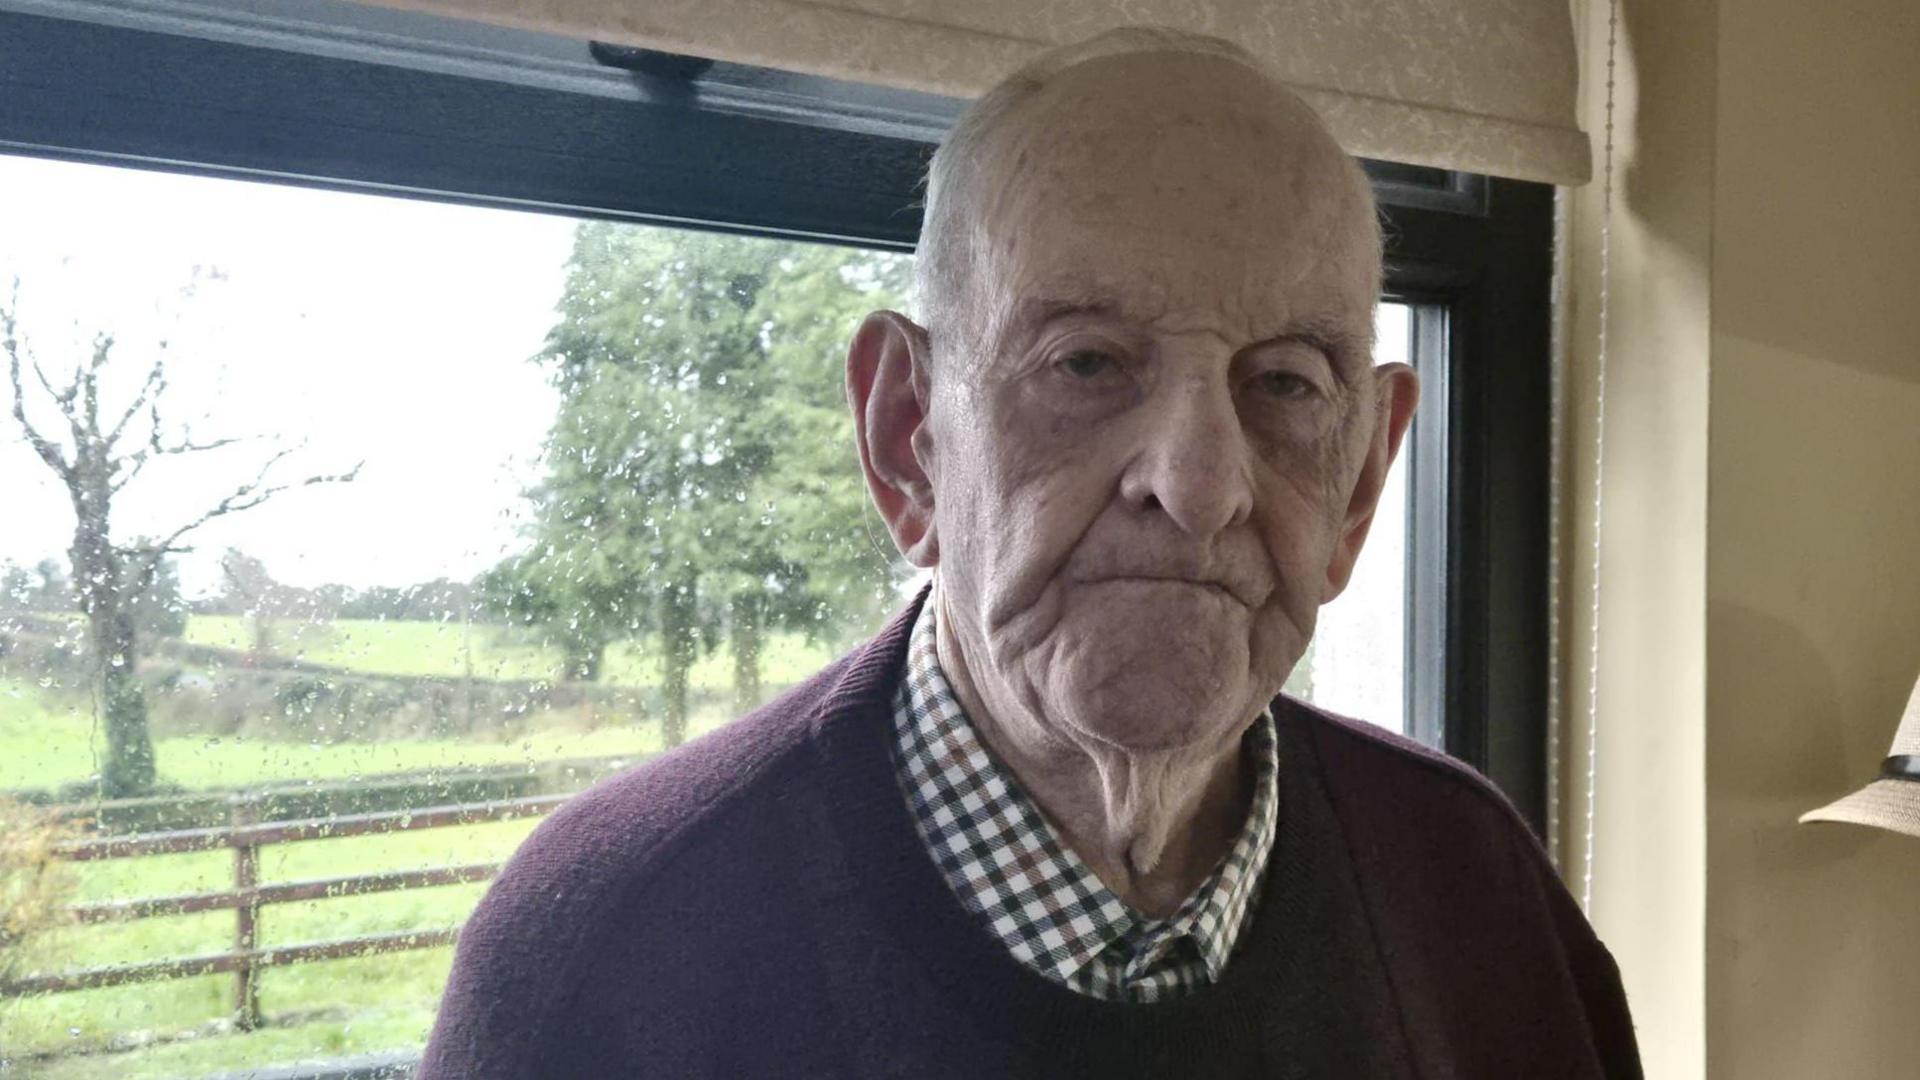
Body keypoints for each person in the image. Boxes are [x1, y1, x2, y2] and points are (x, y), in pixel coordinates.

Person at [420, 27, 1641, 1079]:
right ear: (911, 441)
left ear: (1363, 482)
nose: (1201, 485)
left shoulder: (1480, 898)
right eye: (1088, 363)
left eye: (1283, 381)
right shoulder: (609, 953)